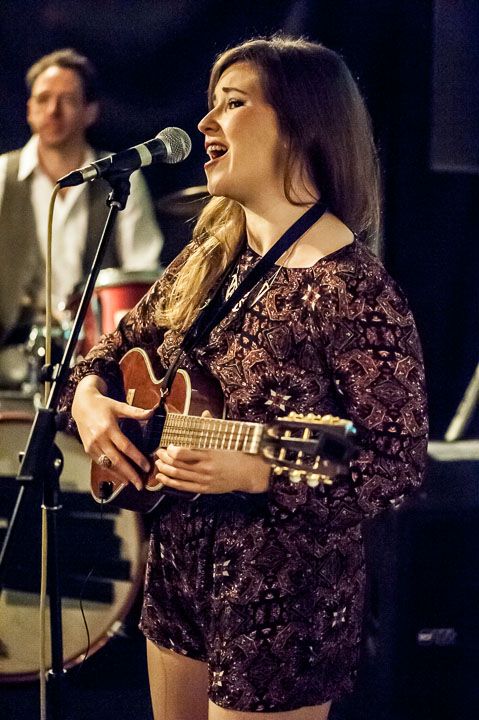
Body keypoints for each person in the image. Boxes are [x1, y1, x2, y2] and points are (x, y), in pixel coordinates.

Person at [61, 36, 428, 720]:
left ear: (300, 124)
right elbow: (108, 352)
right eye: (211, 103)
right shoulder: (209, 258)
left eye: (232, 103)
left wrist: (261, 472)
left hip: (281, 602)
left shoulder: (352, 290)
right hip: (178, 573)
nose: (205, 122)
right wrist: (88, 402)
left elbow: (394, 463)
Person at [0, 48, 163, 346]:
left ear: (90, 111)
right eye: (43, 99)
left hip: (95, 348)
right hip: (12, 349)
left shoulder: (121, 174)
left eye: (67, 99)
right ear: (29, 109)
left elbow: (142, 274)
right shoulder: (2, 176)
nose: (53, 110)